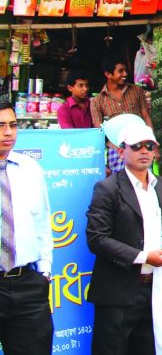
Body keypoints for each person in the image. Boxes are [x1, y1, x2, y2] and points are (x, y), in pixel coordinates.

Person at [86, 125, 162, 355]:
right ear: (121, 152)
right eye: (136, 146)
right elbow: (97, 238)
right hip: (118, 291)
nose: (144, 151)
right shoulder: (107, 188)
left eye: (150, 146)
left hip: (154, 288)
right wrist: (144, 257)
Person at [0, 100, 53, 355]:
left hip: (27, 283)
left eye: (12, 125)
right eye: (0, 126)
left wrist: (44, 272)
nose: (8, 132)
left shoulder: (29, 168)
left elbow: (42, 221)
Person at [92, 55, 154, 176]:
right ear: (108, 74)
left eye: (125, 70)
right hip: (115, 150)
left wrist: (153, 144)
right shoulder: (97, 101)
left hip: (141, 146)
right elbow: (99, 132)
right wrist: (102, 163)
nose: (125, 74)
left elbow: (146, 117)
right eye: (120, 71)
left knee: (143, 183)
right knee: (119, 186)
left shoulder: (137, 91)